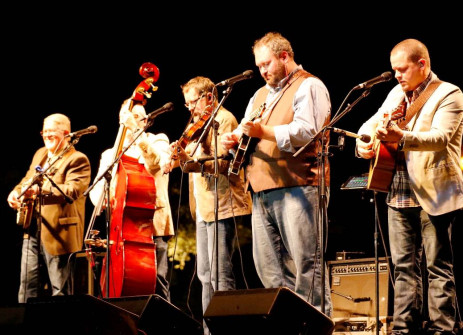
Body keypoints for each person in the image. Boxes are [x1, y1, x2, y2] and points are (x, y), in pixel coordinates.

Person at [221, 31, 333, 315]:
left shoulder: (309, 86)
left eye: (266, 64)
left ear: (285, 56)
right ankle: (288, 326)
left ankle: (317, 327)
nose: (262, 71)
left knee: (307, 265)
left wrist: (263, 131)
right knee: (269, 271)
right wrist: (233, 141)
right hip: (260, 190)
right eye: (258, 66)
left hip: (299, 185)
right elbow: (247, 135)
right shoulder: (259, 96)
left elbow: (309, 131)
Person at [356, 38, 463, 335]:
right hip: (398, 191)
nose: (397, 75)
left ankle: (443, 328)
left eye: (402, 69)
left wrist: (400, 137)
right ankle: (404, 328)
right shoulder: (395, 93)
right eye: (394, 70)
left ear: (422, 64)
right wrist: (362, 143)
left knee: (437, 267)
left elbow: (441, 137)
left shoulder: (448, 93)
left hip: (434, 191)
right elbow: (370, 124)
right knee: (403, 267)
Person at [165, 76, 252, 335]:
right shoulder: (196, 123)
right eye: (187, 104)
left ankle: (228, 329)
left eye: (193, 102)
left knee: (220, 275)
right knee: (204, 275)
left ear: (209, 97)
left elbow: (226, 164)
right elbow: (191, 160)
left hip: (221, 203)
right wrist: (179, 158)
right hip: (203, 206)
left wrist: (189, 161)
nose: (190, 108)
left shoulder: (225, 120)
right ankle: (209, 330)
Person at [89, 99, 174, 300]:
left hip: (151, 226)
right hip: (121, 231)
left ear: (145, 121)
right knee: (117, 287)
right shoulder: (110, 154)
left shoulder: (157, 140)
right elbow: (96, 199)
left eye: (138, 117)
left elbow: (156, 165)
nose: (132, 121)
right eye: (128, 117)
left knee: (157, 282)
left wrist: (136, 132)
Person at [7, 113, 91, 303]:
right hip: (33, 229)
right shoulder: (41, 154)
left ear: (66, 133)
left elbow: (71, 191)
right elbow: (27, 180)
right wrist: (16, 191)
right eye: (44, 132)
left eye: (51, 132)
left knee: (59, 291)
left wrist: (38, 191)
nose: (46, 136)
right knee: (27, 287)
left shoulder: (78, 159)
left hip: (59, 233)